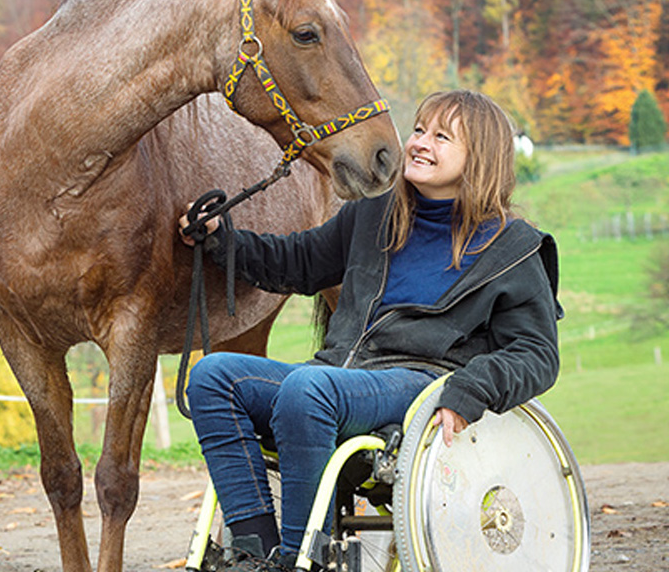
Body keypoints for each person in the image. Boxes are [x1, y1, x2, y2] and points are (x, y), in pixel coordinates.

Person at [177, 89, 561, 571]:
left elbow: (537, 354)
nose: (421, 143)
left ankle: (302, 559)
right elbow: (296, 262)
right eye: (419, 129)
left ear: (479, 158)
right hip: (339, 375)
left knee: (308, 388)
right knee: (214, 375)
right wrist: (222, 240)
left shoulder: (514, 248)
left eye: (442, 137)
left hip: (421, 382)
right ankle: (255, 552)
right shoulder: (374, 214)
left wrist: (471, 388)